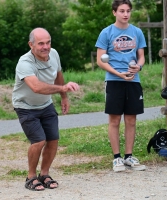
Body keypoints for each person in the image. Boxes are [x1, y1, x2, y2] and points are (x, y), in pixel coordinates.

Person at [12, 28, 80, 190]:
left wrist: (64, 97)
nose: (45, 47)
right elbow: (36, 87)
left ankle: (44, 174)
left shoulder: (54, 54)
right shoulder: (25, 63)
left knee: (53, 140)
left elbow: (58, 73)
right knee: (39, 140)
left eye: (48, 42)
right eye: (41, 43)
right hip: (25, 106)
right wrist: (62, 88)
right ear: (31, 45)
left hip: (46, 104)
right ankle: (31, 177)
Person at [95, 0, 146, 172]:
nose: (125, 14)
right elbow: (100, 60)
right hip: (114, 80)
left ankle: (129, 156)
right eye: (122, 11)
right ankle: (117, 158)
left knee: (131, 120)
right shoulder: (106, 32)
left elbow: (141, 57)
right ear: (114, 12)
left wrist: (138, 67)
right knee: (114, 119)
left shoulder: (137, 32)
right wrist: (118, 74)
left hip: (133, 81)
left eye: (128, 11)